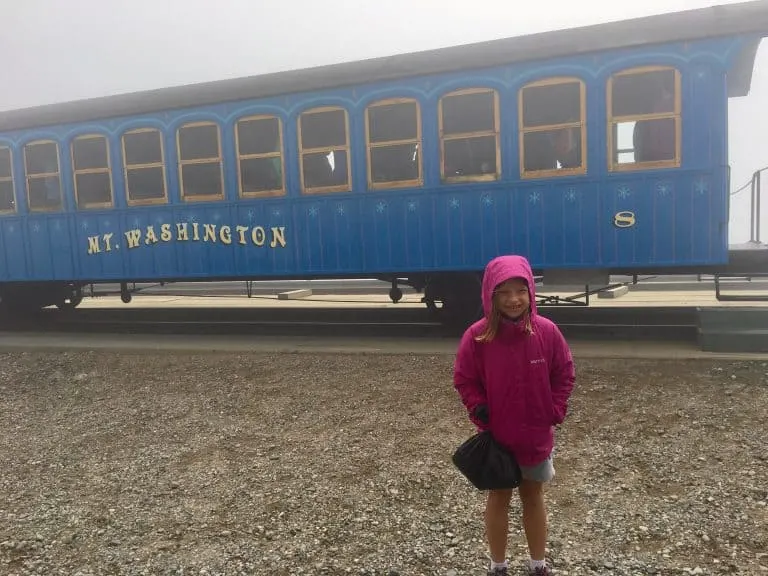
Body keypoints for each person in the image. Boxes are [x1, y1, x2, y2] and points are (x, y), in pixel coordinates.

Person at [453, 255, 576, 576]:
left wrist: (555, 408)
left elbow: (564, 373)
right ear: (490, 296)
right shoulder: (477, 336)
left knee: (533, 497)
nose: (513, 300)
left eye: (520, 290)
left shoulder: (547, 332)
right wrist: (479, 407)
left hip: (535, 435)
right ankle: (498, 565)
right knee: (499, 497)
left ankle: (538, 564)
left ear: (531, 292)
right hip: (498, 437)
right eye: (503, 292)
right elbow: (464, 378)